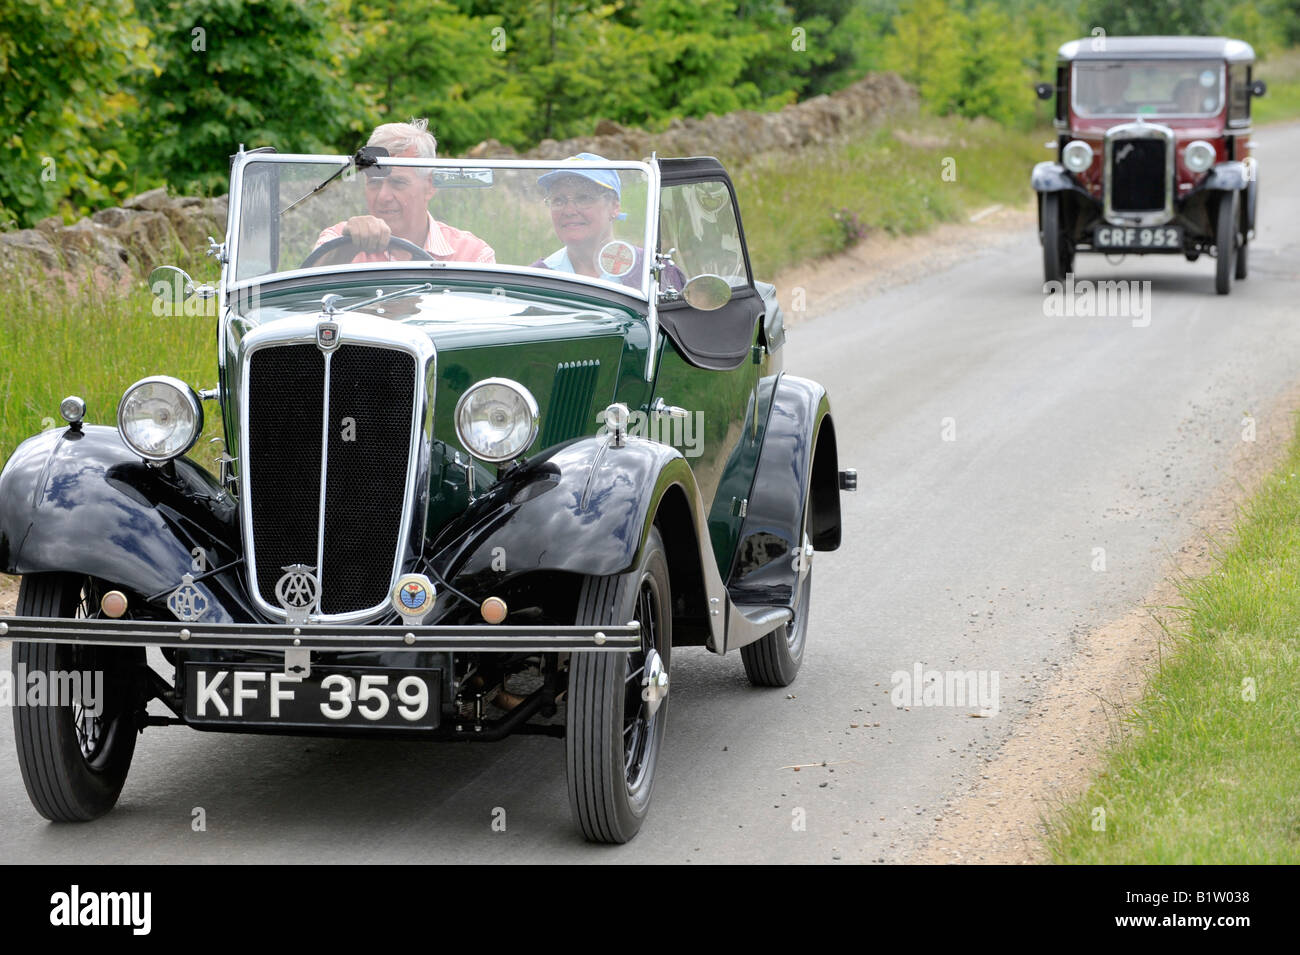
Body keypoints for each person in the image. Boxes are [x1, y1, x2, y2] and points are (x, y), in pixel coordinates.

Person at [314, 119, 495, 264]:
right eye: (374, 182)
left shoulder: (471, 255)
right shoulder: (339, 238)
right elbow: (308, 292)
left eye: (398, 183)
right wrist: (346, 247)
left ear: (429, 186)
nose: (383, 196)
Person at [531, 153, 682, 290]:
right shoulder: (537, 278)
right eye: (558, 200)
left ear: (614, 206)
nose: (569, 211)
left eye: (583, 198)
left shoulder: (652, 272)